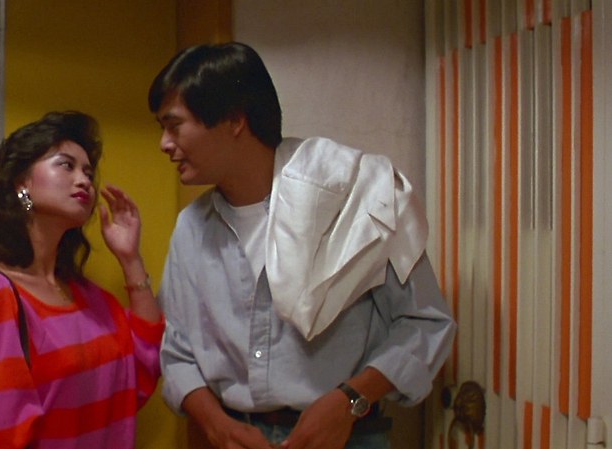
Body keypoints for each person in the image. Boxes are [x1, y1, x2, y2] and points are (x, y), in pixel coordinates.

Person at [148, 42, 456, 449]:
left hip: (348, 437)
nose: (164, 144)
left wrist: (350, 401)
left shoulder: (353, 199)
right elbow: (177, 349)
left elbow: (425, 323)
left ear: (234, 120)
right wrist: (217, 424)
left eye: (174, 126)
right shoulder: (192, 228)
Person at [0, 111, 164, 449]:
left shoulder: (89, 298)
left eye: (88, 172)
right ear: (22, 183)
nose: (84, 181)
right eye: (66, 165)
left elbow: (143, 366)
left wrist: (130, 259)